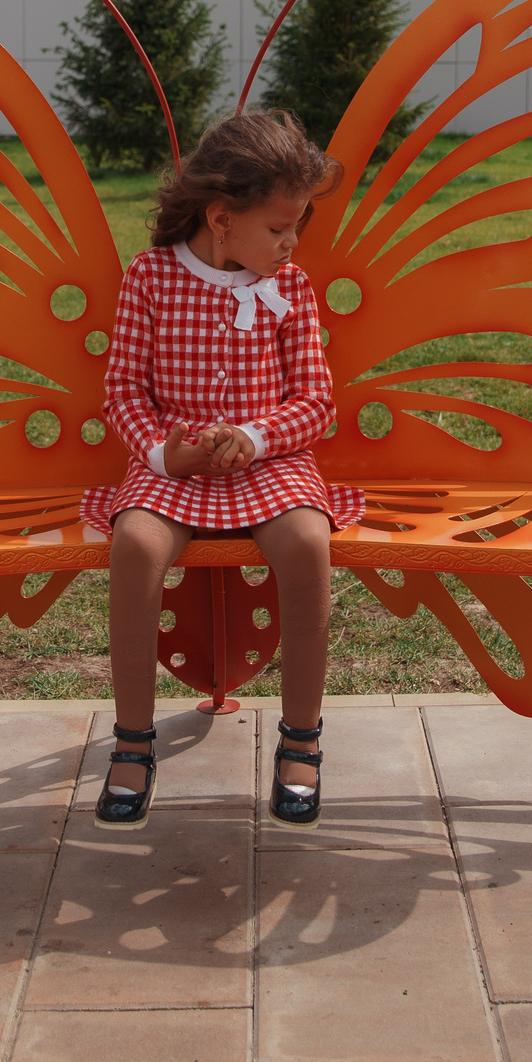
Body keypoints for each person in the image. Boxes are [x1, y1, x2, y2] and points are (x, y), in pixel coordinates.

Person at [81, 111, 356, 828]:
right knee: (136, 545)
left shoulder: (290, 286)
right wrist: (162, 453)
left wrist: (256, 436)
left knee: (306, 543)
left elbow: (316, 400)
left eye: (299, 224)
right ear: (220, 217)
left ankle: (301, 738)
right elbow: (123, 392)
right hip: (174, 464)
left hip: (271, 460)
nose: (291, 241)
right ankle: (132, 742)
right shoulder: (151, 277)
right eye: (278, 226)